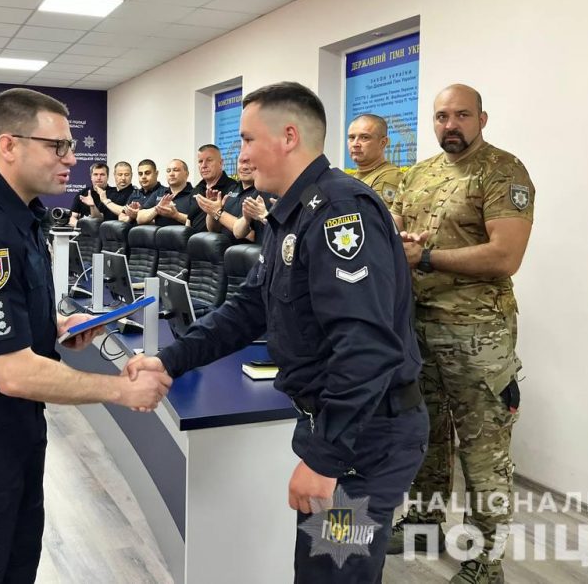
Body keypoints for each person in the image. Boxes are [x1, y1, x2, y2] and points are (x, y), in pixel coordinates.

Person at [127, 82, 428, 583]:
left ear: (289, 137)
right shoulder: (292, 213)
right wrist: (169, 359)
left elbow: (366, 347)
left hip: (365, 437)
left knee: (335, 572)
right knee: (320, 568)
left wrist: (326, 458)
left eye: (247, 140)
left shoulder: (340, 213)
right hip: (334, 423)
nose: (241, 156)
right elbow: (249, 307)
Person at [0, 87, 171, 583]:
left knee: (18, 560)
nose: (71, 159)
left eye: (70, 146)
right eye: (57, 146)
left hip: (17, 425)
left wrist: (53, 328)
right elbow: (14, 374)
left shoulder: (22, 214)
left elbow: (5, 318)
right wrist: (121, 390)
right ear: (9, 146)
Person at [387, 84, 535, 584]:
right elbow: (396, 231)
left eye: (462, 115)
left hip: (477, 336)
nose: (450, 125)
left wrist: (425, 256)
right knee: (424, 436)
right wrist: (401, 240)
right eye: (442, 116)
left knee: (482, 451)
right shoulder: (419, 173)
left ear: (482, 119)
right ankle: (423, 525)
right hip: (417, 327)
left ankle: (486, 559)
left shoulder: (503, 171)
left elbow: (505, 255)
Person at [198, 156, 264, 243]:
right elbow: (213, 229)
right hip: (221, 247)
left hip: (243, 250)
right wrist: (212, 212)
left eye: (249, 163)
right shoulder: (232, 188)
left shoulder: (263, 193)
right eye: (241, 162)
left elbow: (251, 235)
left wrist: (218, 212)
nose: (244, 167)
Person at [347, 114, 402, 208]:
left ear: (383, 143)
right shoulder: (352, 177)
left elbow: (372, 215)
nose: (355, 144)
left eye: (364, 137)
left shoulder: (389, 177)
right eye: (352, 137)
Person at [188, 143, 238, 233]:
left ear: (221, 163)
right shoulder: (197, 189)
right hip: (192, 240)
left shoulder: (233, 188)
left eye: (209, 160)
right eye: (200, 161)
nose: (204, 165)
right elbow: (189, 220)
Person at [134, 158, 195, 227]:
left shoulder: (195, 194)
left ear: (186, 174)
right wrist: (157, 209)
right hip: (159, 233)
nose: (171, 174)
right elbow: (139, 218)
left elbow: (198, 222)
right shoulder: (159, 193)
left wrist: (176, 215)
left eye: (176, 170)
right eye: (168, 171)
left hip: (183, 233)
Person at [119, 159, 167, 223]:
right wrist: (130, 218)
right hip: (132, 229)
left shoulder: (165, 193)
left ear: (156, 173)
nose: (143, 177)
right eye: (140, 174)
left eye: (147, 173)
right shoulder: (135, 193)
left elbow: (164, 221)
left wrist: (140, 217)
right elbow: (121, 216)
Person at [68, 161, 109, 226]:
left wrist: (92, 206)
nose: (99, 178)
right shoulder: (82, 193)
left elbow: (101, 219)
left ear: (107, 176)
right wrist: (81, 226)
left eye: (102, 174)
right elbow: (72, 217)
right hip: (83, 230)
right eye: (95, 174)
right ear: (91, 177)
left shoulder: (114, 193)